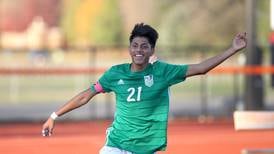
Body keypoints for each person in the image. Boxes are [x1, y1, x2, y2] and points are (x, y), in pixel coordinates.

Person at [42, 23, 247, 154]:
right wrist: (54, 115)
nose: (138, 50)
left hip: (145, 148)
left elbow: (201, 68)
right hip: (116, 145)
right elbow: (86, 95)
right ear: (129, 48)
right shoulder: (115, 73)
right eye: (135, 45)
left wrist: (233, 49)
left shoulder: (163, 72)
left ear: (152, 51)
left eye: (144, 46)